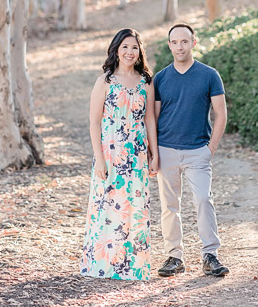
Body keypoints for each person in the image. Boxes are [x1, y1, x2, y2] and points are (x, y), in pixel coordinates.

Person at [80, 28, 159, 281]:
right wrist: (99, 159)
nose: (129, 52)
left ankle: (132, 265)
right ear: (116, 49)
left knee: (133, 208)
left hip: (136, 154)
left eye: (134, 47)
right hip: (110, 153)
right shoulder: (105, 81)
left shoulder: (146, 81)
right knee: (107, 207)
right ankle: (104, 264)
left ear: (139, 52)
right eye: (124, 47)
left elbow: (150, 121)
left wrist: (153, 153)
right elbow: (94, 122)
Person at [154, 23, 230, 278]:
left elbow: (221, 114)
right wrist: (154, 153)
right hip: (167, 150)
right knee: (169, 206)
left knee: (203, 200)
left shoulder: (209, 75)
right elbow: (152, 119)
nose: (179, 47)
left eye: (184, 42)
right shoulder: (161, 78)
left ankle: (210, 255)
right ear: (169, 45)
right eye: (174, 42)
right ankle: (174, 257)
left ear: (193, 43)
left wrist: (211, 148)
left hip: (199, 150)